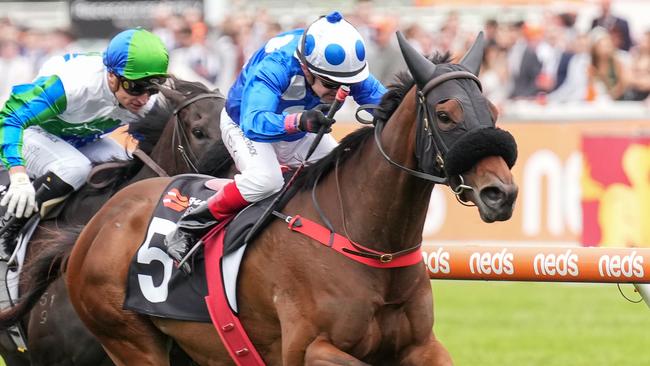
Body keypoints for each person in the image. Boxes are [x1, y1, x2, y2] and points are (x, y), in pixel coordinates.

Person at [164, 11, 387, 272]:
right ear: (306, 67)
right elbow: (255, 122)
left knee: (342, 173)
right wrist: (300, 122)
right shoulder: (277, 64)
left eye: (345, 84)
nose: (337, 91)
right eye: (329, 84)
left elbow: (381, 101)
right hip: (244, 125)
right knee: (266, 179)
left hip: (295, 130)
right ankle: (188, 227)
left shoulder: (337, 67)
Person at [0, 28, 169, 257]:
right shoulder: (74, 85)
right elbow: (11, 117)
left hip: (81, 138)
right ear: (112, 75)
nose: (143, 98)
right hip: (32, 132)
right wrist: (18, 176)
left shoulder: (146, 102)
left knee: (128, 164)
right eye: (136, 87)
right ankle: (10, 225)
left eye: (152, 88)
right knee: (74, 168)